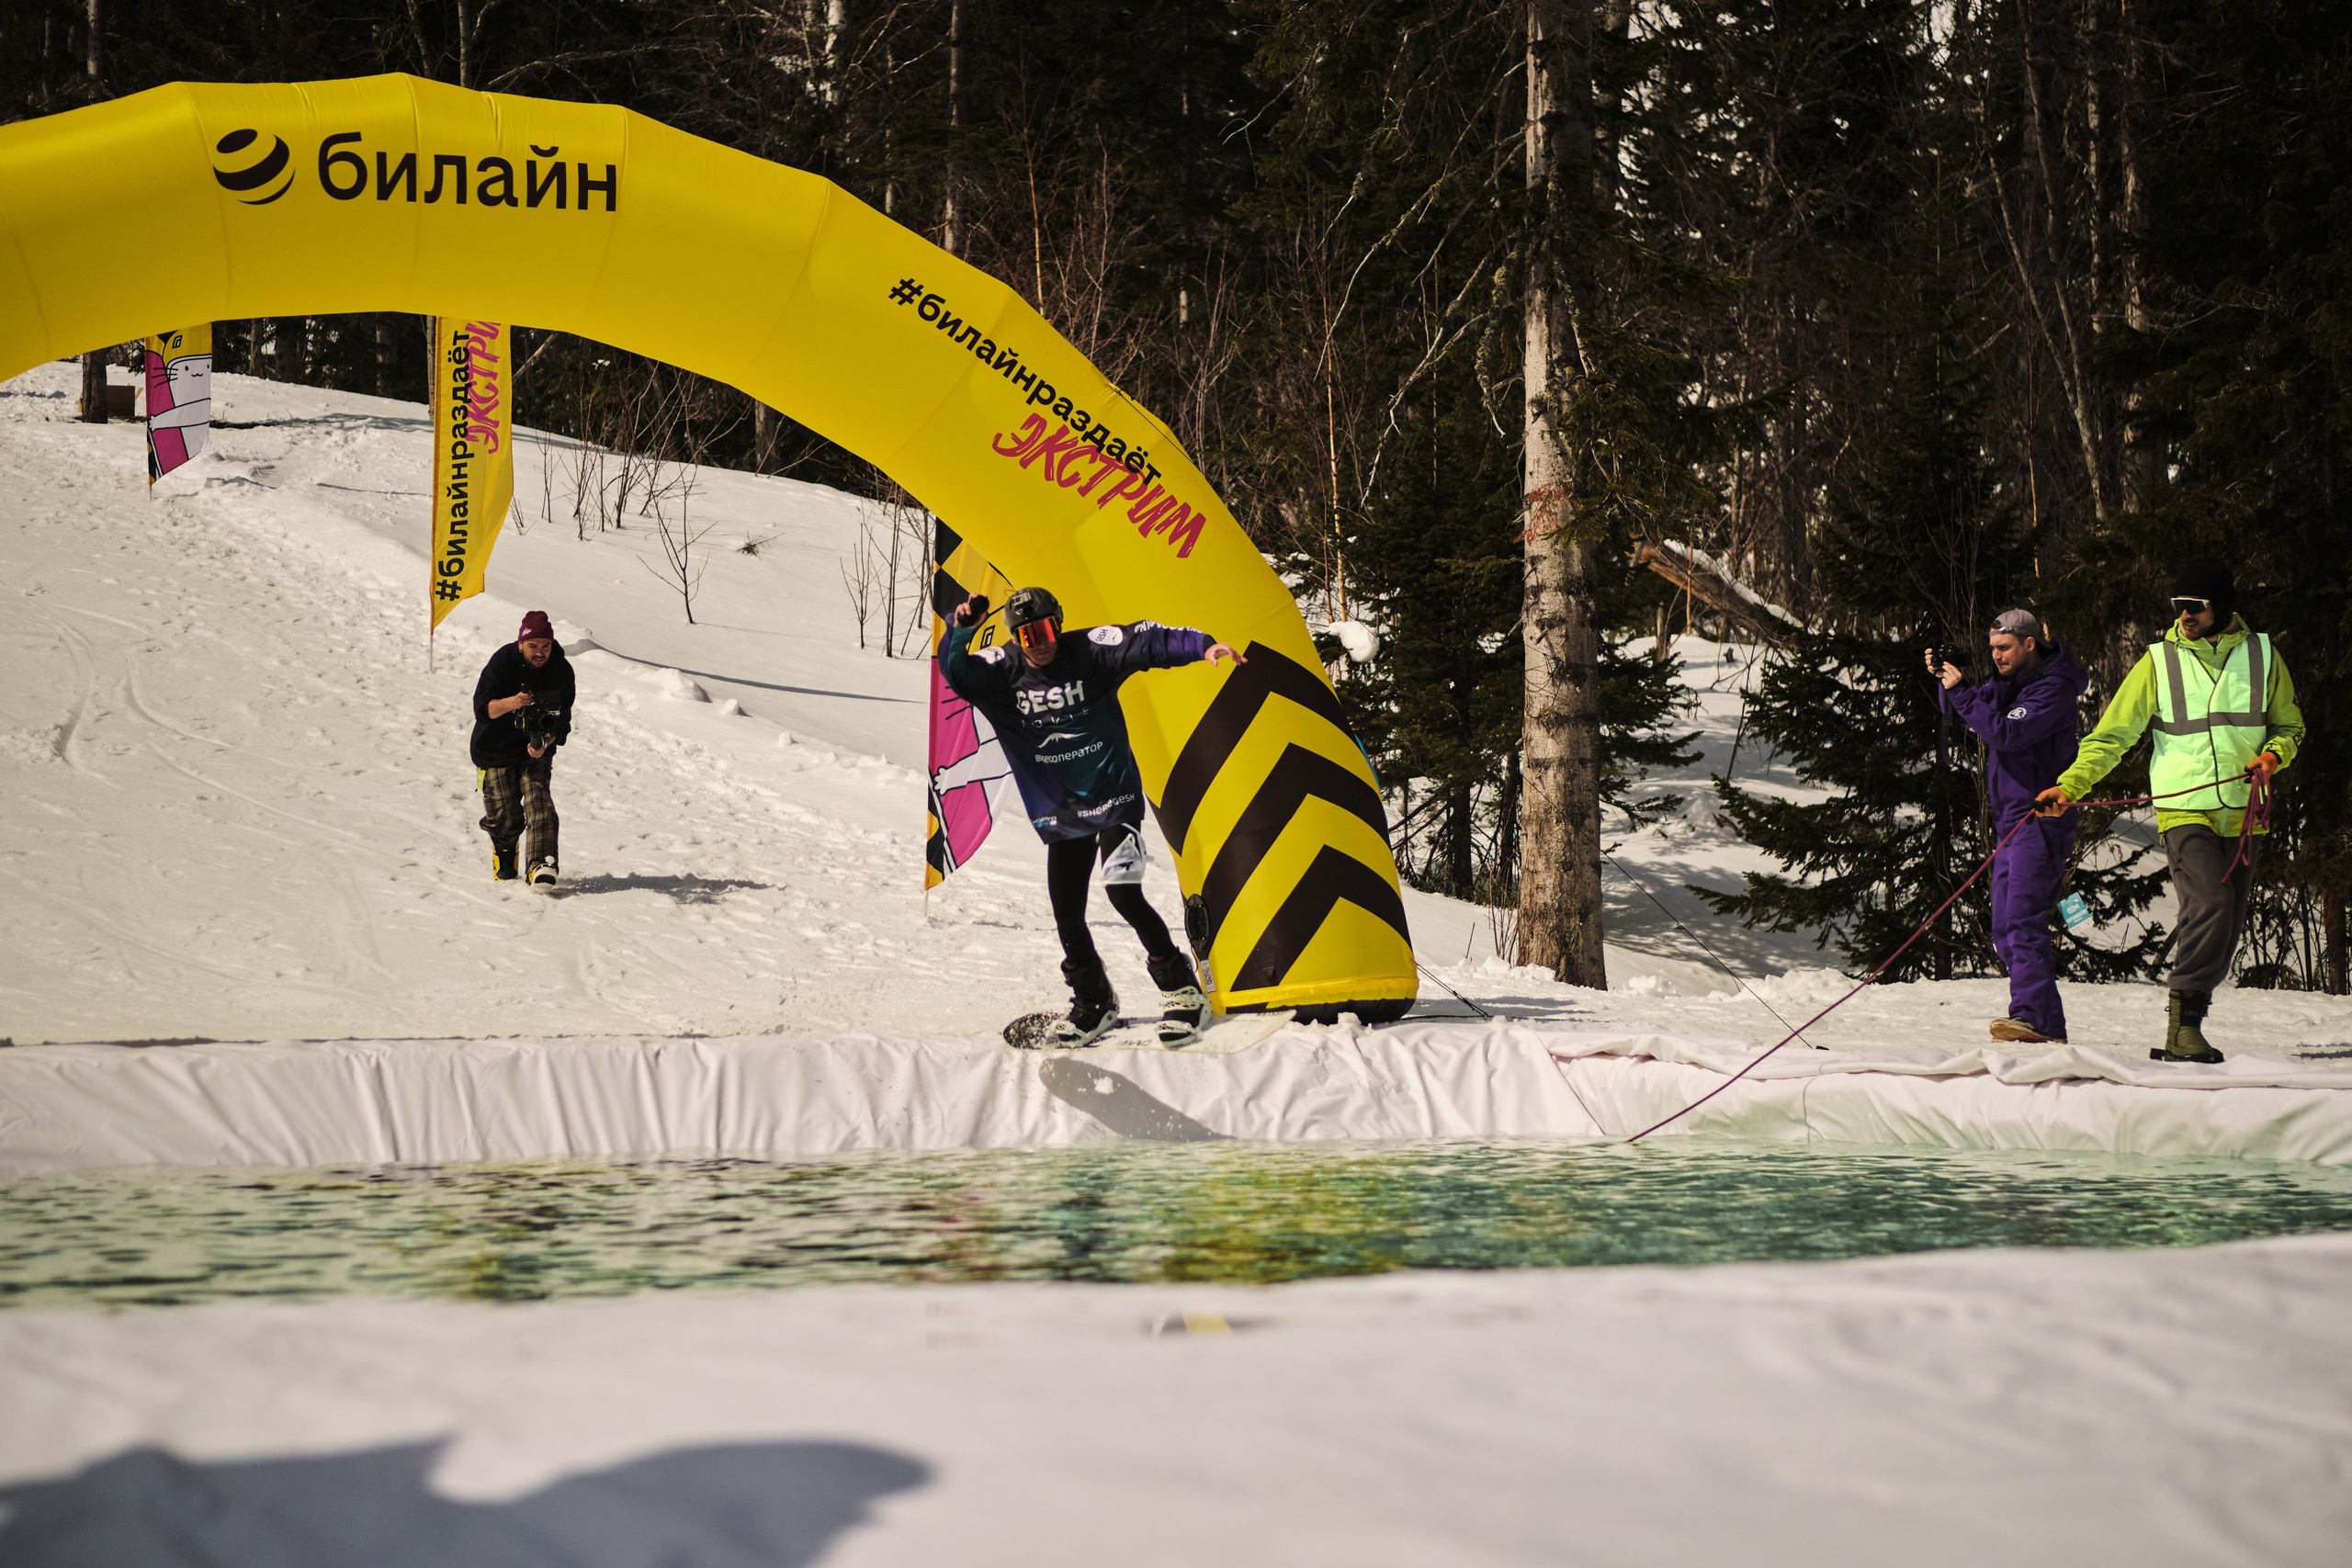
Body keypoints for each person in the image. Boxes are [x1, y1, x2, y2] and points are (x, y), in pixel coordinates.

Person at [939, 585, 1244, 1045]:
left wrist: (1202, 646)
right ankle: (1094, 1003)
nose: (1036, 643)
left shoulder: (1088, 650)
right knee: (1067, 914)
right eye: (1024, 636)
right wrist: (960, 631)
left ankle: (1182, 990)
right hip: (1060, 809)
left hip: (1113, 794)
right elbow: (957, 671)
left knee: (1123, 892)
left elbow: (1147, 640)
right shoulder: (1002, 671)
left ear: (1057, 623)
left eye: (1042, 630)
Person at [2035, 559, 2304, 1062]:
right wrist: (2069, 786)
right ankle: (2182, 1030)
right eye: (2178, 606)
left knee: (2226, 925)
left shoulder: (2263, 655)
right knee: (2211, 904)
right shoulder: (2159, 661)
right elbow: (2112, 736)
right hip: (2184, 812)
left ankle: (2190, 1022)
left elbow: (2290, 728)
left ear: (2220, 606)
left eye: (2194, 606)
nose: (2183, 615)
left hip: (2246, 812)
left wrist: (2272, 757)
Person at [1927, 608, 2090, 1044]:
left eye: (2004, 648)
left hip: (2039, 821)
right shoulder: (2010, 684)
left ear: (2029, 644)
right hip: (2010, 822)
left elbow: (2005, 734)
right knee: (2004, 926)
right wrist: (1949, 678)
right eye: (1992, 649)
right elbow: (1967, 709)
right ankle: (2046, 1027)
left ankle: (2033, 1017)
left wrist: (1961, 690)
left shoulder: (2052, 690)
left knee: (2021, 921)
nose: (1996, 656)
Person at [472, 609, 575, 886]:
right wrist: (513, 702)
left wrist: (545, 741)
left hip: (536, 747)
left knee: (539, 802)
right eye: (533, 646)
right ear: (520, 644)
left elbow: (562, 721)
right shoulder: (503, 662)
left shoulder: (562, 670)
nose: (540, 652)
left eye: (546, 646)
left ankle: (542, 863)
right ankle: (505, 858)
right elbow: (482, 710)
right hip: (496, 747)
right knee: (504, 815)